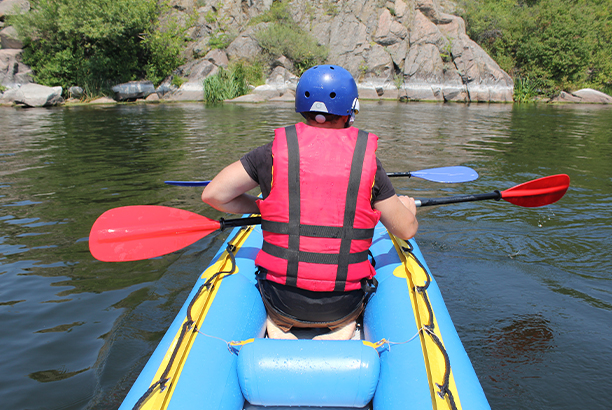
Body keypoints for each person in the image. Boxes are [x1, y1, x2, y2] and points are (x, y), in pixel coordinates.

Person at [202, 65, 418, 340]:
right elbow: (406, 230)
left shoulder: (269, 154)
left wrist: (263, 206)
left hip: (280, 303)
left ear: (301, 107)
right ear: (350, 111)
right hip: (343, 308)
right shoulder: (368, 163)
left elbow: (214, 195)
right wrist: (407, 210)